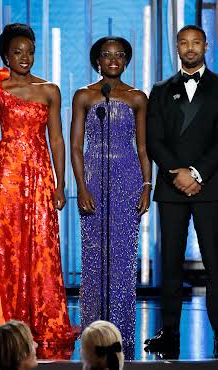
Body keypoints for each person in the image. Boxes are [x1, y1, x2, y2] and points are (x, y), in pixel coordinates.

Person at [0, 23, 73, 349]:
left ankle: (43, 321)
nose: (25, 57)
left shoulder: (49, 90)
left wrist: (61, 184)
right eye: (18, 52)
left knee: (42, 250)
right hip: (6, 179)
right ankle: (10, 324)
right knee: (8, 252)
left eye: (30, 51)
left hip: (39, 179)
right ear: (6, 54)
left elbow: (58, 140)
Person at [70, 36, 151, 359]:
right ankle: (93, 331)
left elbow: (143, 148)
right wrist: (81, 187)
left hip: (127, 177)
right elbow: (76, 147)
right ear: (97, 61)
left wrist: (147, 186)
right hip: (93, 178)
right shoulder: (84, 96)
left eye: (119, 55)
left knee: (122, 258)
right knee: (93, 258)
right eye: (106, 55)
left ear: (127, 60)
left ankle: (121, 333)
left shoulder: (137, 98)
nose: (113, 60)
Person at [145, 25, 218, 357]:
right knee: (170, 263)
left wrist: (197, 172)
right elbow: (153, 139)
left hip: (210, 185)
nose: (190, 48)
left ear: (206, 45)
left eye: (196, 43)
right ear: (176, 47)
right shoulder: (160, 89)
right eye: (183, 43)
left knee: (216, 263)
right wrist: (178, 174)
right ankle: (170, 333)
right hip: (172, 187)